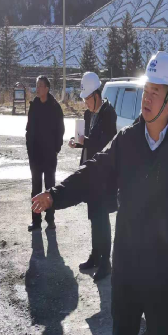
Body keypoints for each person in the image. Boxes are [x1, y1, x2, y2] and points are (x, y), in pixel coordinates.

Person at [31, 51, 168, 335]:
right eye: (146, 89)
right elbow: (94, 171)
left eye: (155, 92)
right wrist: (56, 195)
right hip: (127, 271)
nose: (147, 97)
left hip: (162, 275)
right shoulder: (127, 141)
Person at [68, 72, 118, 282]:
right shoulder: (89, 115)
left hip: (104, 175)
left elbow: (106, 144)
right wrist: (79, 144)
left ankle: (106, 262)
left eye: (87, 98)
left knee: (102, 219)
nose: (86, 103)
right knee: (93, 217)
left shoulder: (109, 114)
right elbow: (89, 142)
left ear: (97, 95)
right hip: (91, 173)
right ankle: (95, 255)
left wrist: (86, 142)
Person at [25, 76, 65, 232]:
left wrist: (56, 149)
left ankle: (50, 219)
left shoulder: (55, 107)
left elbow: (60, 130)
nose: (38, 88)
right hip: (35, 155)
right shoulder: (34, 106)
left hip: (49, 155)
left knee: (49, 188)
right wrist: (29, 149)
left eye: (40, 86)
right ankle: (36, 221)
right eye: (37, 85)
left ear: (47, 88)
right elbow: (29, 129)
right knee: (35, 187)